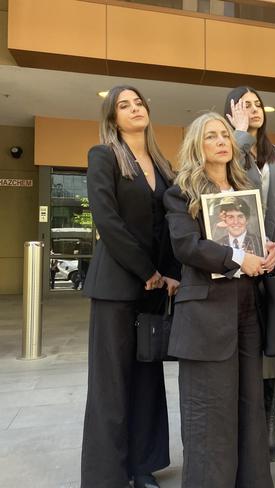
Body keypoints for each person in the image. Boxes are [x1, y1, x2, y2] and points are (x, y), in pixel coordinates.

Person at [163, 112, 275, 487]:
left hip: (248, 308)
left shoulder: (247, 190)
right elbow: (186, 246)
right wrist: (235, 259)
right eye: (211, 136)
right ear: (198, 145)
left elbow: (253, 245)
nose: (221, 141)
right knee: (208, 414)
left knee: (250, 409)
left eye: (225, 135)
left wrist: (266, 252)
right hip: (206, 313)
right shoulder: (180, 192)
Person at [80, 85, 180, 488]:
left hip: (155, 289)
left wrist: (169, 272)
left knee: (146, 380)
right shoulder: (103, 156)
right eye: (124, 105)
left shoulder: (163, 163)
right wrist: (146, 271)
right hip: (117, 287)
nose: (135, 108)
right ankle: (107, 475)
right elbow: (107, 221)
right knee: (111, 384)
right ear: (112, 118)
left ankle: (142, 467)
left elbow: (173, 224)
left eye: (138, 103)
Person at [224, 86, 275, 462]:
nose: (252, 109)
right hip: (237, 267)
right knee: (243, 352)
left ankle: (269, 423)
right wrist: (239, 135)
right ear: (230, 113)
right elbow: (225, 190)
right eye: (243, 105)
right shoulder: (226, 152)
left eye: (256, 105)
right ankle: (246, 425)